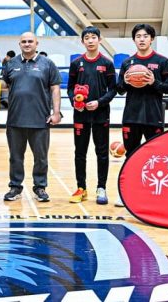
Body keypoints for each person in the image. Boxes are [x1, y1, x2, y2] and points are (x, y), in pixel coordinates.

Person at [116, 23, 168, 206]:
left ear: (152, 39)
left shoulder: (162, 61)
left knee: (155, 158)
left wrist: (153, 82)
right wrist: (126, 81)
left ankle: (153, 193)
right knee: (131, 155)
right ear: (134, 40)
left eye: (145, 36)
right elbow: (119, 90)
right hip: (131, 116)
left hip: (153, 116)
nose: (141, 39)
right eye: (138, 36)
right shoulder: (127, 63)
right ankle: (126, 192)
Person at [2, 32, 62, 202]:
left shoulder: (47, 64)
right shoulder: (11, 64)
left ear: (37, 43)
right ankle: (15, 187)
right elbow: (4, 84)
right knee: (15, 157)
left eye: (30, 41)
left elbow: (55, 88)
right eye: (24, 42)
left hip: (40, 119)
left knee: (41, 158)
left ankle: (40, 187)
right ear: (19, 44)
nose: (27, 44)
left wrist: (56, 113)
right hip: (15, 120)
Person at [67, 27, 116, 205]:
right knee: (80, 153)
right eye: (86, 38)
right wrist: (75, 102)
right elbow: (70, 88)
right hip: (80, 116)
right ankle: (81, 188)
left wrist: (99, 102)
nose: (90, 40)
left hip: (101, 115)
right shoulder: (76, 63)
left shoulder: (107, 63)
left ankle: (101, 188)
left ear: (99, 40)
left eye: (93, 37)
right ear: (82, 42)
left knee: (102, 153)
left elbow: (113, 89)